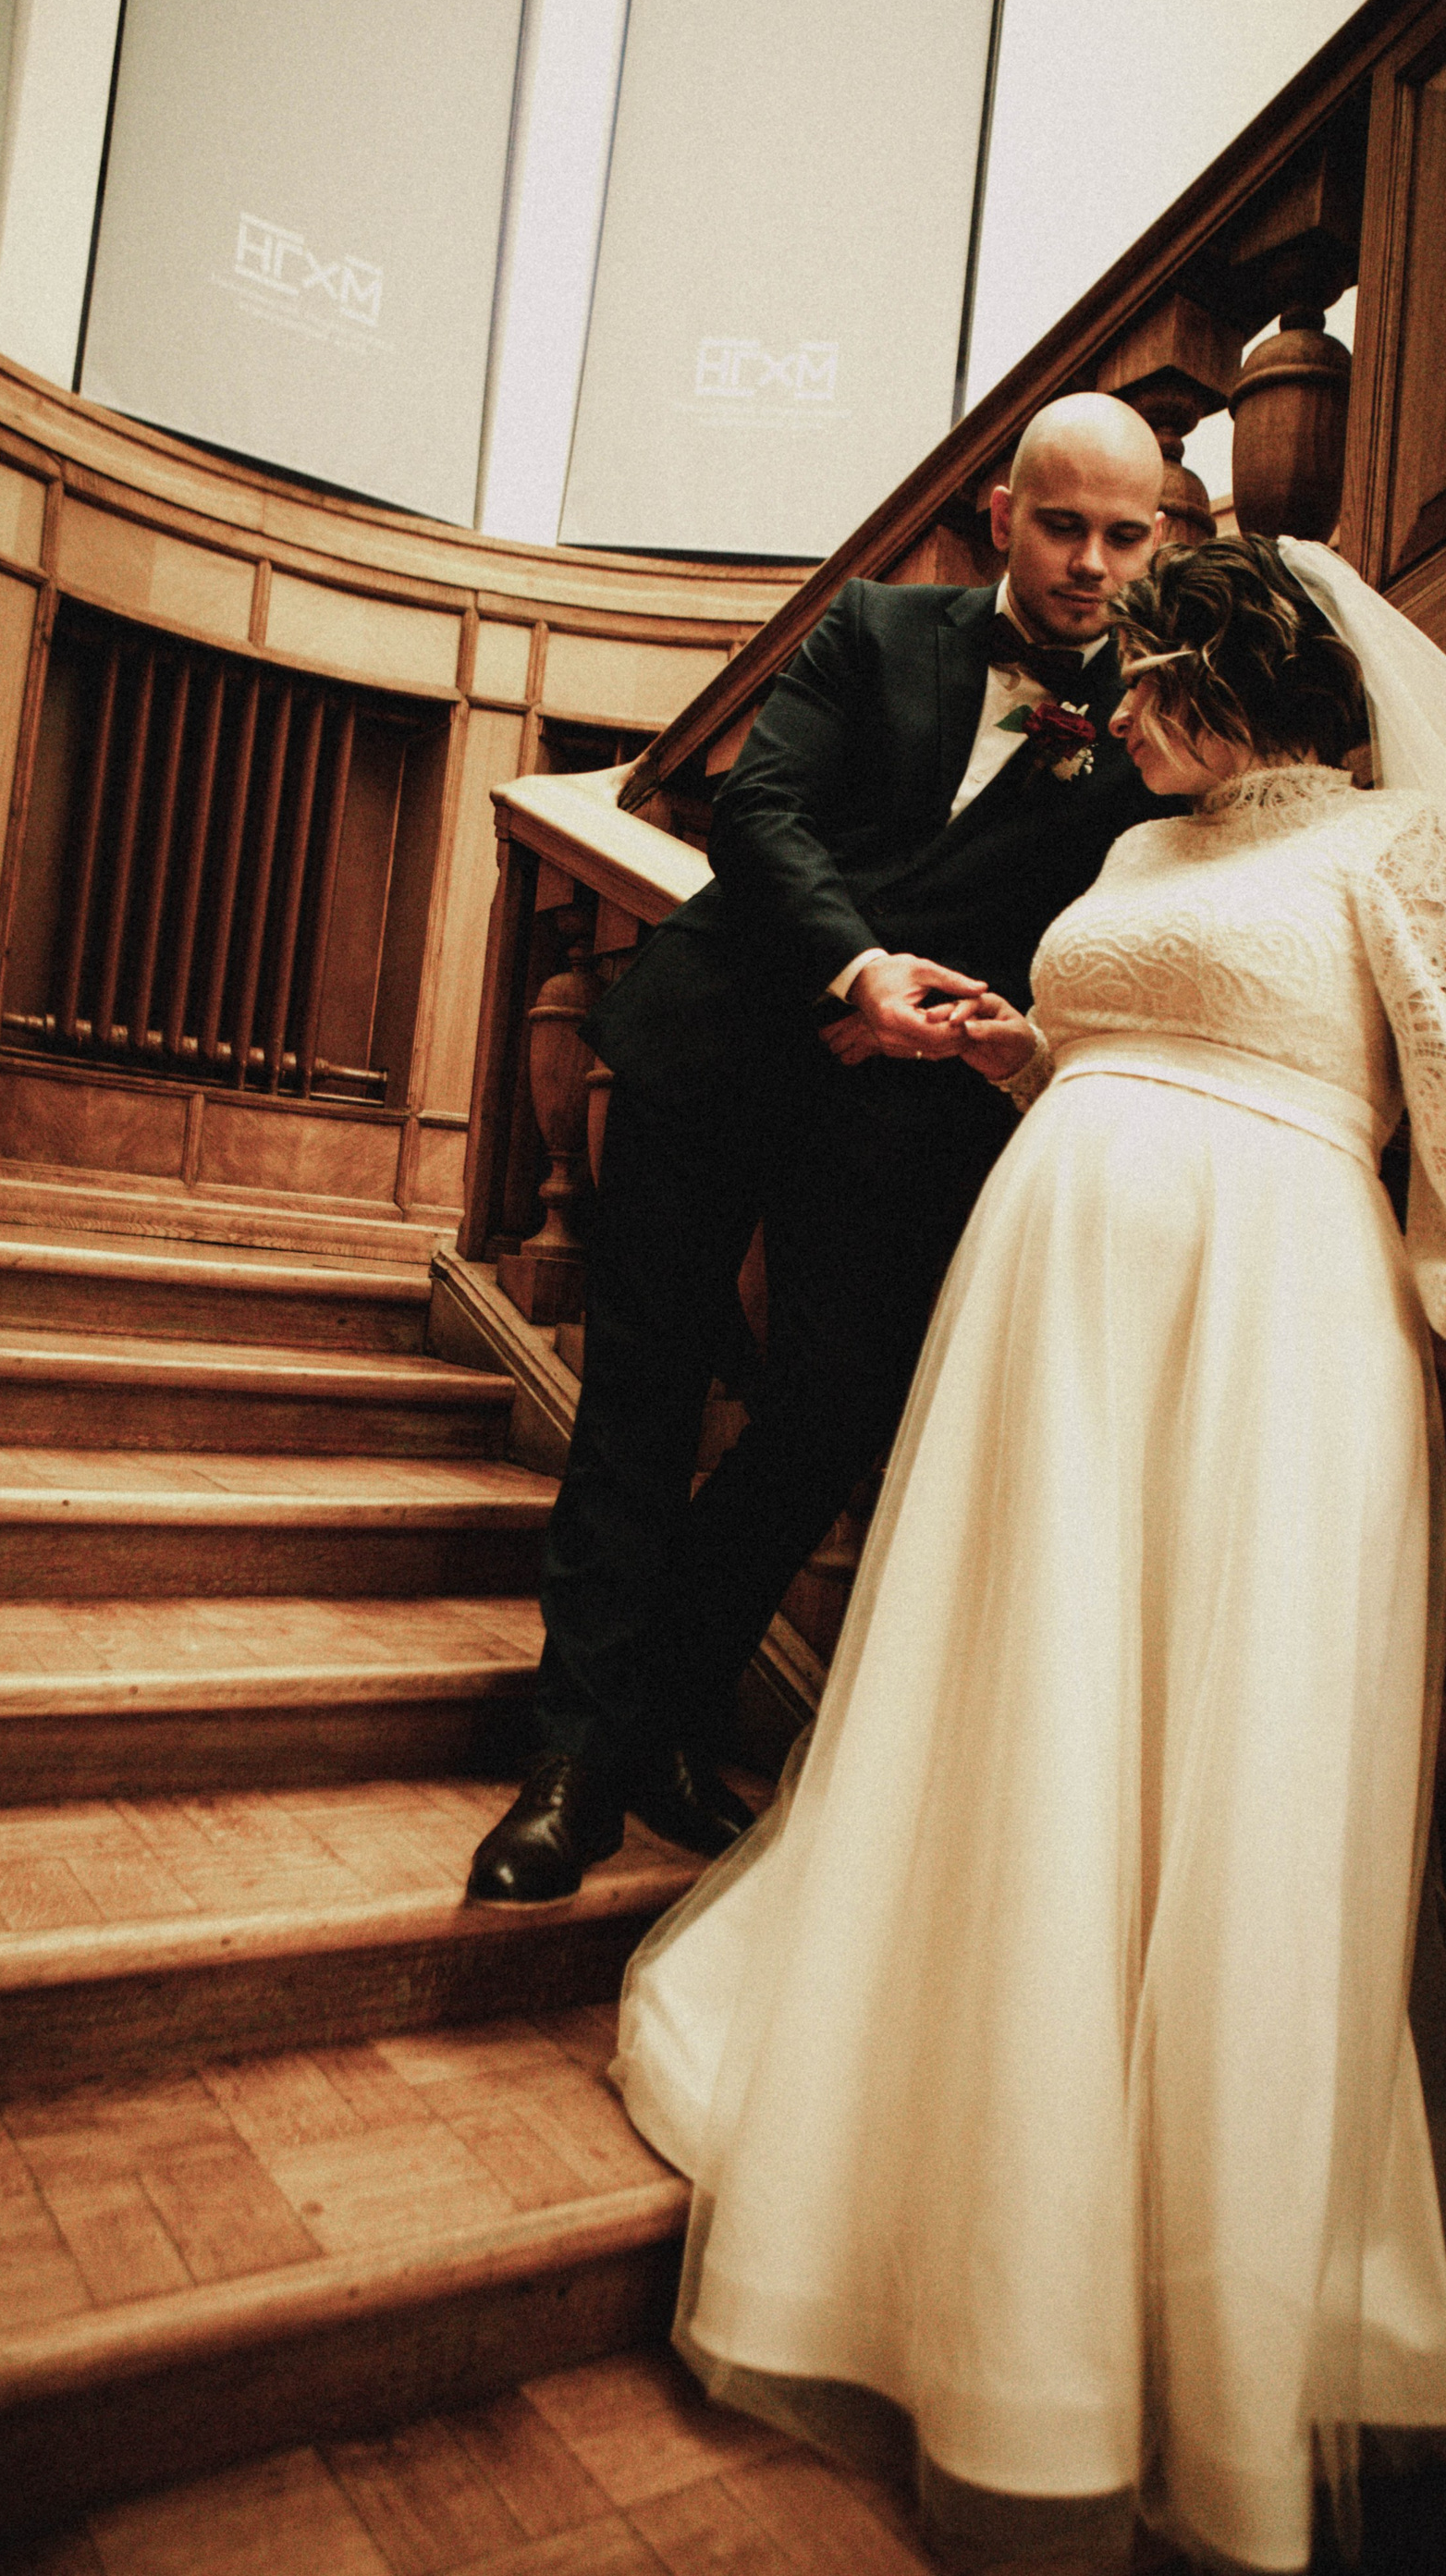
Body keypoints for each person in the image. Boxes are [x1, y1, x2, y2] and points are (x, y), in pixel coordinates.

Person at [610, 534, 1446, 2572]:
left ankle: (1174, 2288)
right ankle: (981, 2177)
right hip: (1055, 1324)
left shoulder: (1390, 848)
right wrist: (1016, 1052)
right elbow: (1116, 1056)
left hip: (1261, 1329)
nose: (1122, 709)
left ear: (1242, 680)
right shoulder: (1133, 848)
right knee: (1036, 1724)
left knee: (1207, 1754)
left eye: (1158, 676)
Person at [468, 394, 1174, 1904]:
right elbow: (762, 816)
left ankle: (666, 1709)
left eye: (1126, 537)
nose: (1091, 566)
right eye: (1063, 527)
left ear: (1158, 539)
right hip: (714, 1051)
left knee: (830, 1421)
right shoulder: (874, 627)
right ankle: (572, 1767)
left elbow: (1099, 925)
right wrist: (856, 972)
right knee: (642, 1403)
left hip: (903, 1116)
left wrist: (950, 1010)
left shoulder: (1148, 726)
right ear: (1004, 516)